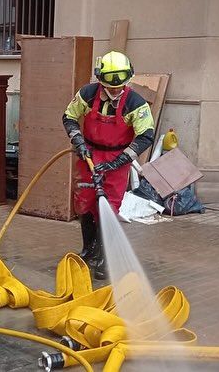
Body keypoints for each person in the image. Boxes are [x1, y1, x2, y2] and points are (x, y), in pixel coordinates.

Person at [62, 51, 154, 279]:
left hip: (117, 159)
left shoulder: (135, 103)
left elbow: (146, 136)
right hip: (89, 156)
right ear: (101, 81)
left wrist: (122, 160)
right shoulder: (87, 94)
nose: (115, 91)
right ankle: (88, 249)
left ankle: (104, 256)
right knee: (85, 202)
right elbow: (69, 117)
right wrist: (78, 140)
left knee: (109, 208)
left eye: (120, 87)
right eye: (110, 87)